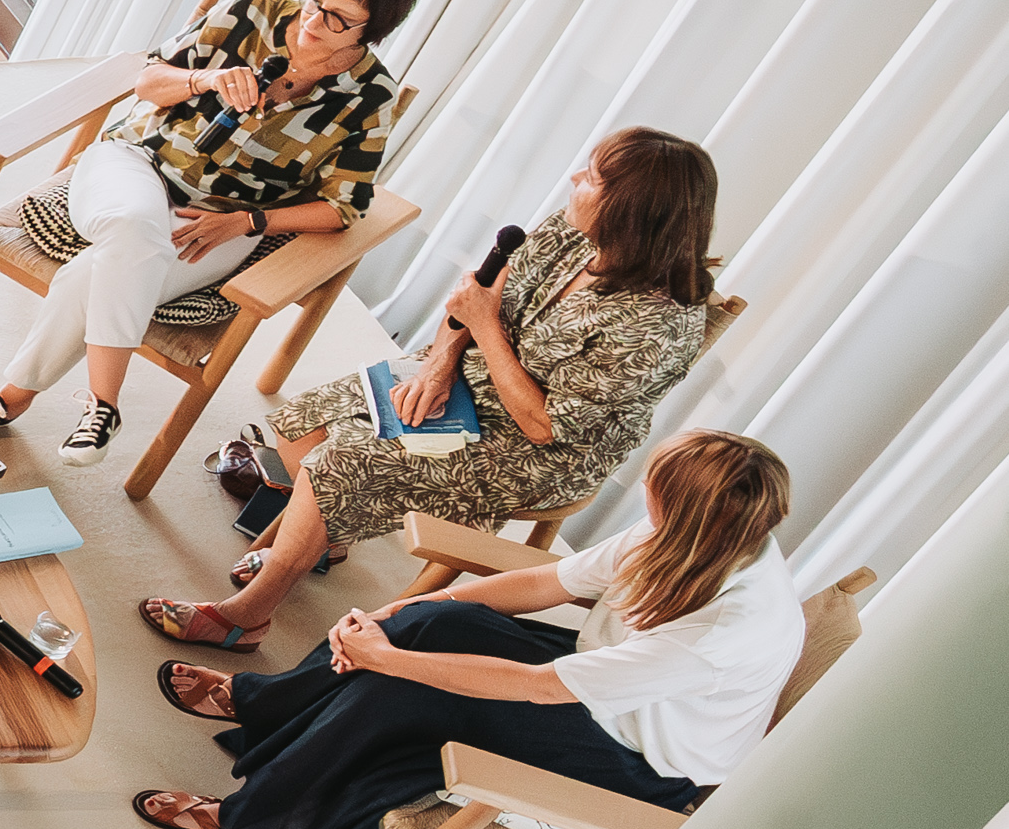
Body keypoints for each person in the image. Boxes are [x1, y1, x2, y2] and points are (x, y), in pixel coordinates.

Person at [141, 427, 805, 829]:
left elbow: (540, 687)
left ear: (688, 520)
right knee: (433, 623)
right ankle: (266, 704)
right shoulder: (687, 537)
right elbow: (546, 583)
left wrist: (390, 659)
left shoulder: (725, 626)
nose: (645, 507)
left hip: (640, 762)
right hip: (606, 684)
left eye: (658, 499)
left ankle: (255, 822)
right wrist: (405, 612)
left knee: (408, 692)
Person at [150, 126, 731, 650]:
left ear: (631, 211)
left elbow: (543, 423)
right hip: (474, 373)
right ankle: (326, 538)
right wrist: (439, 365)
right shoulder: (573, 232)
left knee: (340, 461)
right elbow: (479, 292)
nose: (576, 177)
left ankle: (247, 618)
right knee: (298, 425)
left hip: (538, 448)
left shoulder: (658, 325)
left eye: (594, 178)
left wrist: (480, 326)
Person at [0, 0, 423, 463]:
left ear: (374, 28)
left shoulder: (369, 97)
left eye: (338, 18)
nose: (314, 19)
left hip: (220, 220)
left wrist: (246, 222)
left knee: (95, 272)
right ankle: (104, 404)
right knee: (131, 225)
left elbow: (344, 207)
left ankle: (9, 402)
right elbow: (147, 81)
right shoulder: (251, 11)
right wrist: (205, 79)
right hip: (134, 164)